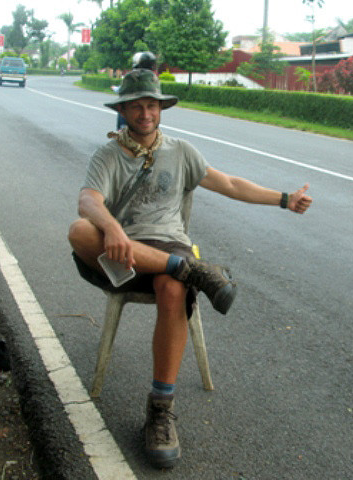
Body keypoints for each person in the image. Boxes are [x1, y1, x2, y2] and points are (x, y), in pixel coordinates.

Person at [68, 69, 312, 469]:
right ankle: (192, 269)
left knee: (173, 289)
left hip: (168, 245)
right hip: (124, 249)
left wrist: (284, 199)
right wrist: (111, 226)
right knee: (80, 231)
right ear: (124, 110)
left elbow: (230, 184)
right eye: (136, 106)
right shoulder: (108, 154)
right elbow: (88, 201)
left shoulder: (181, 152)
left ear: (161, 109)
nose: (145, 113)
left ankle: (160, 410)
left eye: (151, 105)